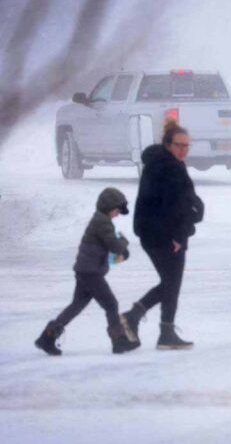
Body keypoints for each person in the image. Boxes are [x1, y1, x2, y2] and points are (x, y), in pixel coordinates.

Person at [121, 118, 204, 350]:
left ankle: (159, 328)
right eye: (179, 145)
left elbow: (180, 202)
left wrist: (194, 209)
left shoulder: (158, 162)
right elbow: (176, 206)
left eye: (187, 145)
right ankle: (143, 322)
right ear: (168, 144)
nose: (183, 150)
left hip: (151, 232)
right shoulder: (170, 167)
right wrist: (180, 236)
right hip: (164, 235)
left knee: (170, 283)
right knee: (171, 283)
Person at [34, 188, 139, 355]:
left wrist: (119, 250)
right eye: (117, 210)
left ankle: (47, 338)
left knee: (76, 306)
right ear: (109, 207)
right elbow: (114, 245)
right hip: (91, 273)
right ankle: (118, 342)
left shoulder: (100, 220)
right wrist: (124, 243)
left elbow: (108, 246)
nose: (118, 214)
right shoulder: (103, 223)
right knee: (111, 304)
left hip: (85, 271)